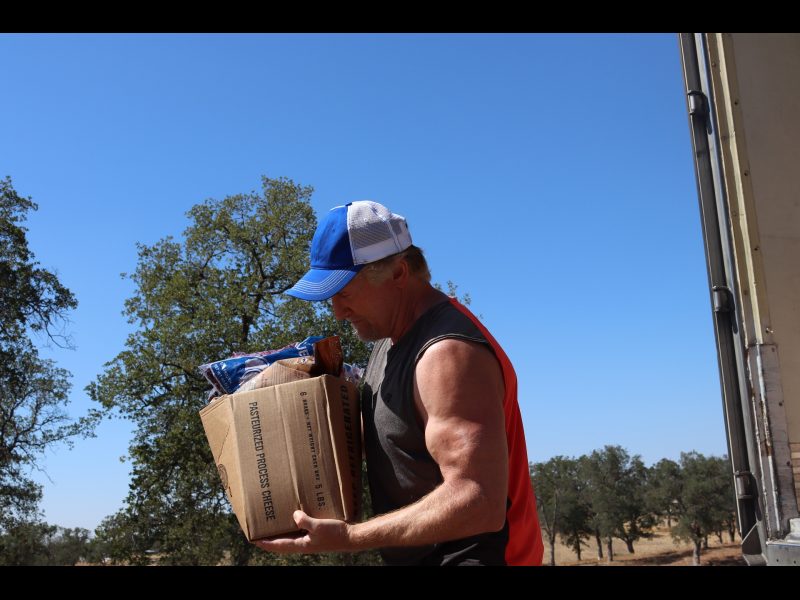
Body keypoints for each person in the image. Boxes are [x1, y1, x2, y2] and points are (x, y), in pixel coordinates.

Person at [254, 200, 544, 566]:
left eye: (344, 292)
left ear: (398, 273)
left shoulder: (447, 354)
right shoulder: (387, 343)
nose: (337, 312)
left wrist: (350, 537)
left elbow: (479, 500)